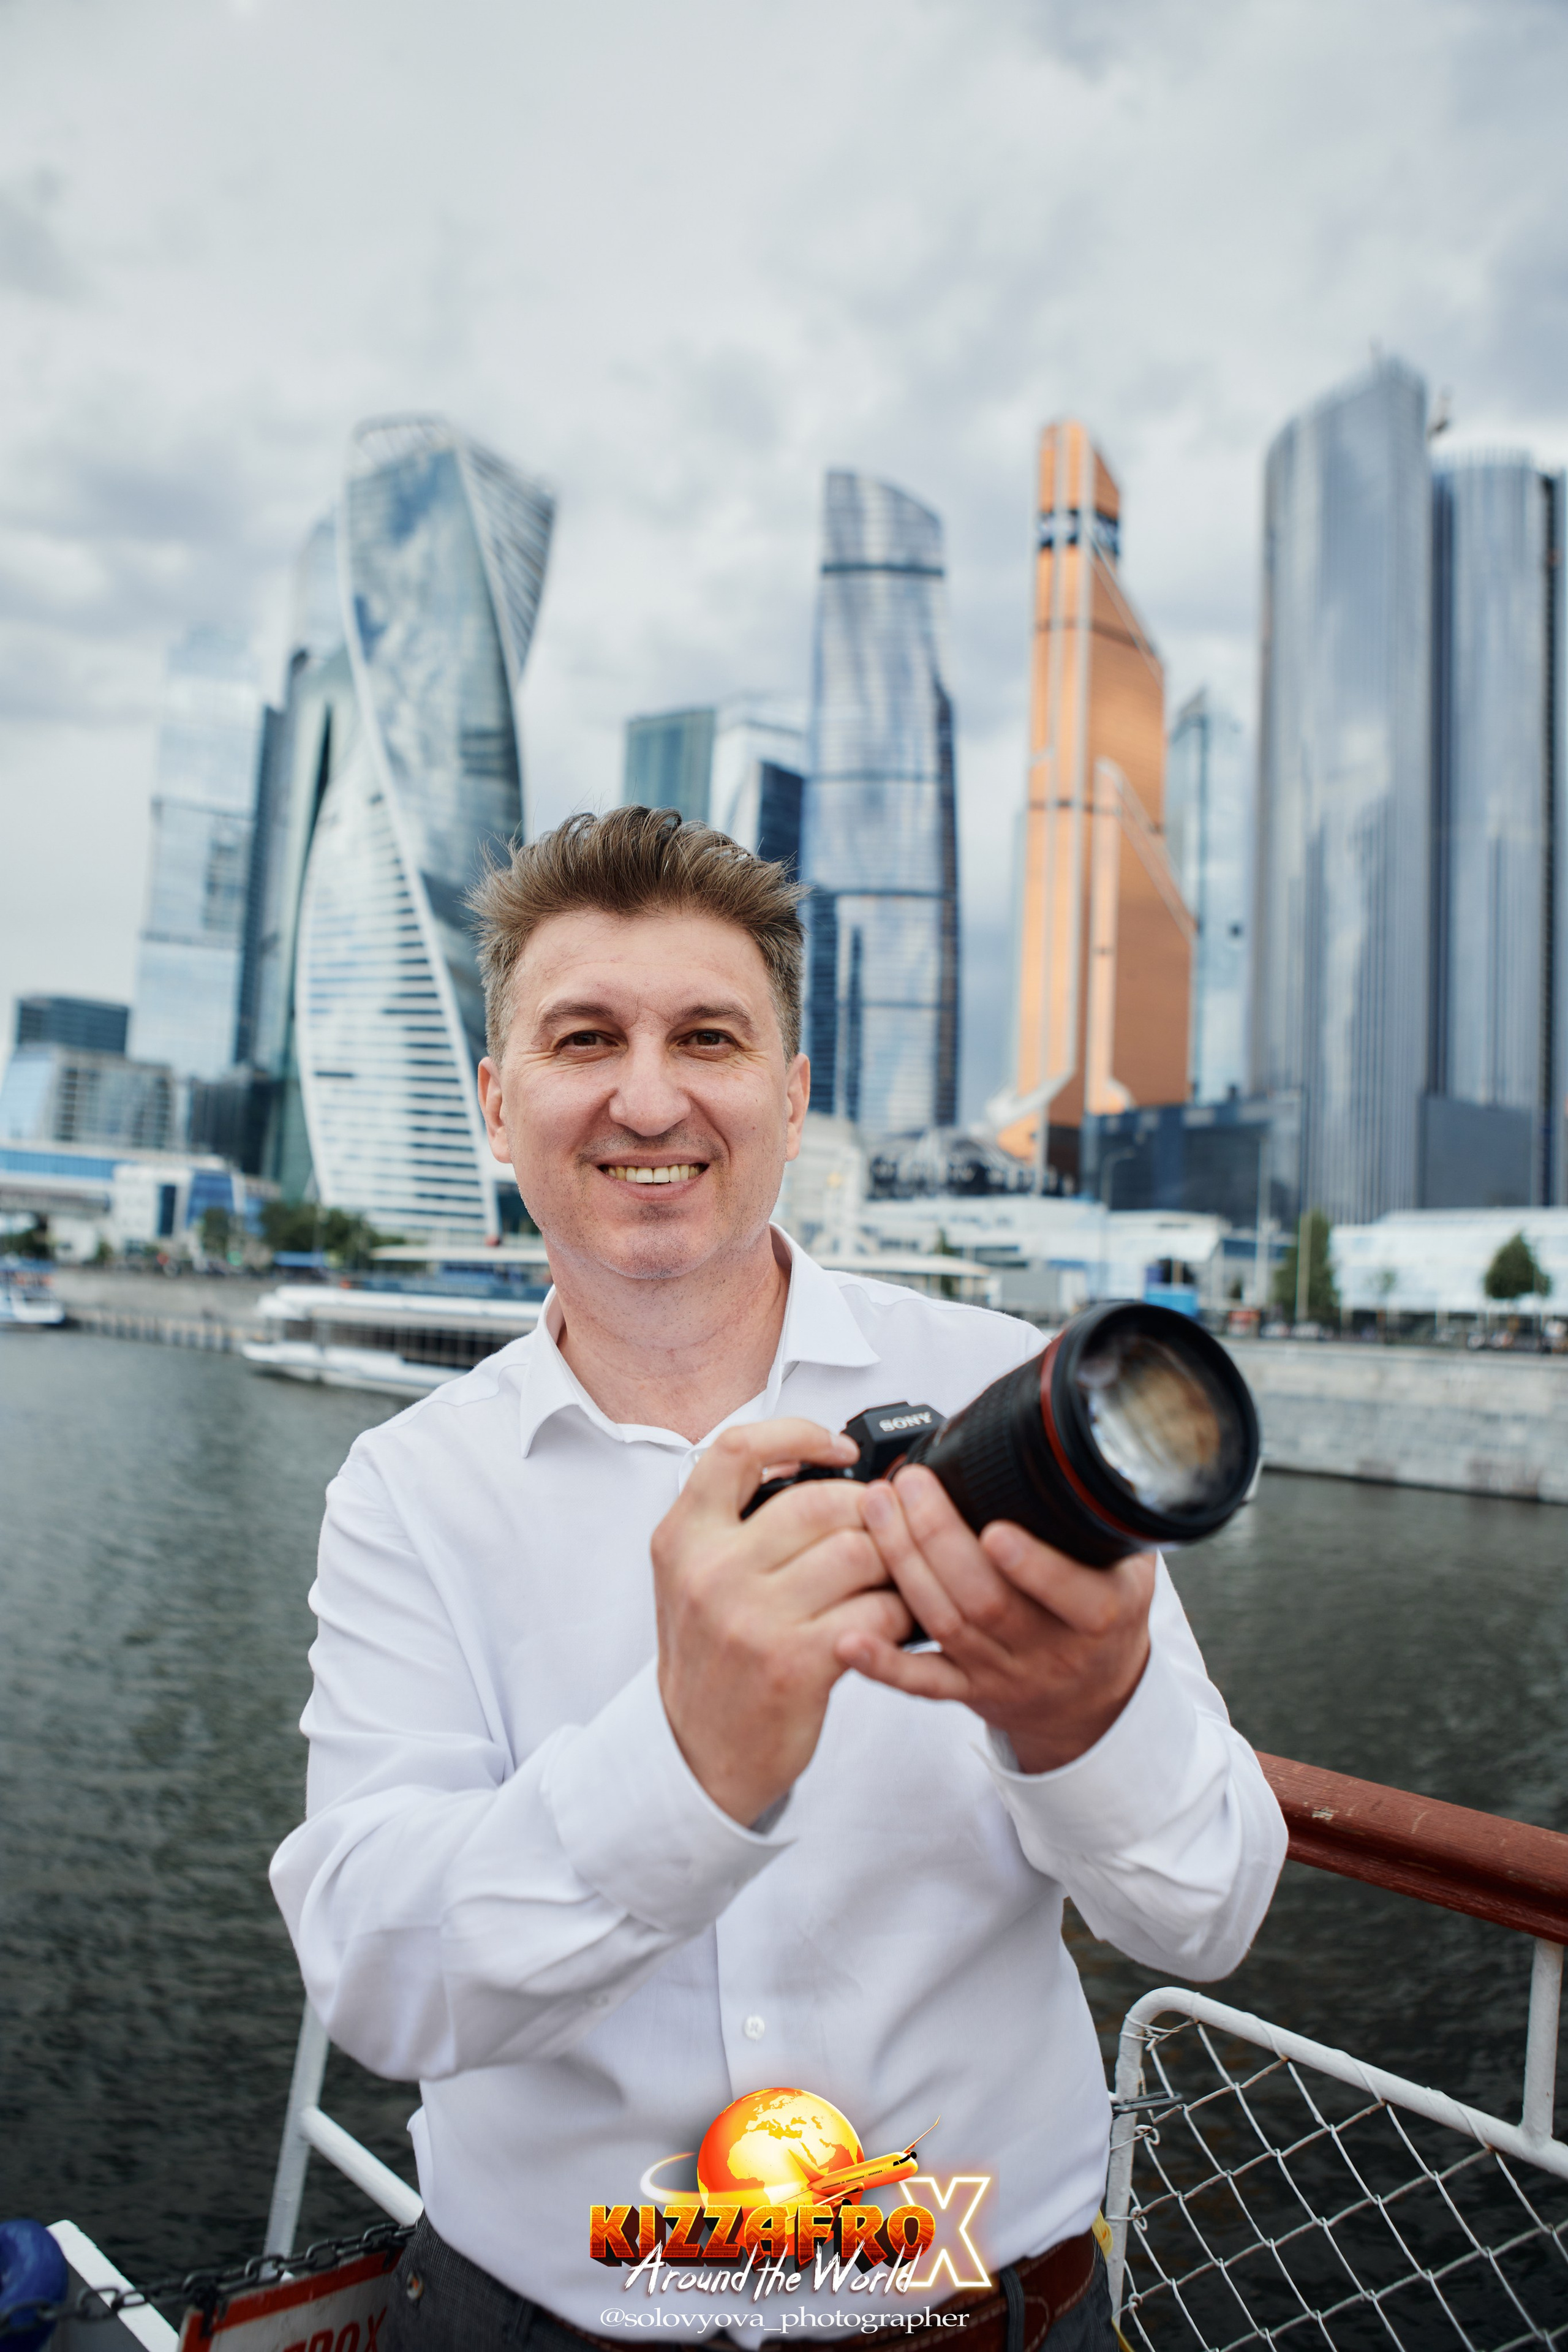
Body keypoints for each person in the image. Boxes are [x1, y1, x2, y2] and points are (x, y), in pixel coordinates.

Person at [271, 807, 1286, 2352]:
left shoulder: (1010, 1401)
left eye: (710, 1037)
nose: (649, 1094)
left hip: (974, 2313)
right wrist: (683, 1764)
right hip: (541, 2317)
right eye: (584, 1037)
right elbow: (378, 1978)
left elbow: (1205, 1911)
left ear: (793, 1096)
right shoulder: (408, 1492)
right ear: (495, 1103)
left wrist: (1088, 1715)